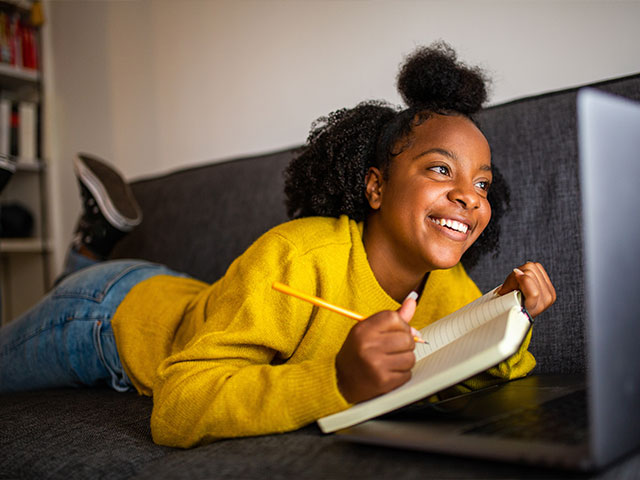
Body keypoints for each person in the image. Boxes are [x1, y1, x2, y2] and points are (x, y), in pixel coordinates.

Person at [0, 42, 555, 448]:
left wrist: (502, 315)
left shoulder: (449, 283)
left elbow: (474, 371)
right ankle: (90, 260)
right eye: (440, 169)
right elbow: (176, 407)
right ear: (376, 186)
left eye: (482, 183)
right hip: (107, 316)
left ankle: (91, 244)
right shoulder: (295, 256)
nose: (469, 196)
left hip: (191, 299)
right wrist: (336, 381)